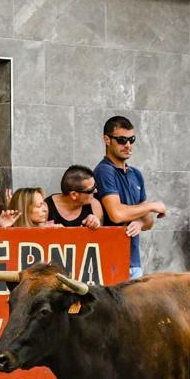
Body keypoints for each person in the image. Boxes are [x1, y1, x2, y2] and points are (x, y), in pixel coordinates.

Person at [93, 116, 167, 280]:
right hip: (109, 261)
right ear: (107, 139)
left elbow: (149, 222)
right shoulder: (104, 171)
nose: (127, 145)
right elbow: (116, 214)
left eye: (131, 139)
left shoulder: (136, 174)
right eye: (121, 140)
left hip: (133, 262)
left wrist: (140, 223)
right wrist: (152, 206)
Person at [47, 165, 103, 229]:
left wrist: (95, 223)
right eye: (91, 190)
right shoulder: (46, 208)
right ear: (74, 194)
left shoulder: (94, 206)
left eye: (95, 185)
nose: (95, 190)